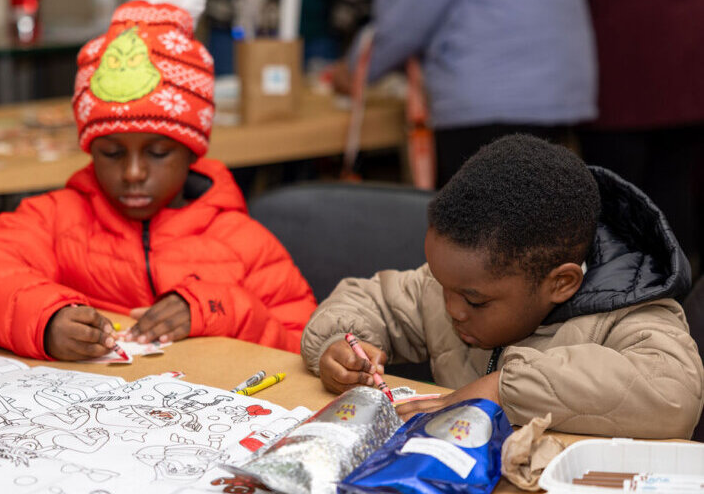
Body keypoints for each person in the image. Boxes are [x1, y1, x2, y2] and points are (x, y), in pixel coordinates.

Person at [0, 0, 317, 362]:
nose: (133, 172)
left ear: (192, 151)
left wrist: (218, 309)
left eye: (157, 153)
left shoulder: (244, 244)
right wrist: (46, 320)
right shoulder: (58, 219)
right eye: (112, 154)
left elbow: (306, 345)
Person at [301, 135, 704, 439]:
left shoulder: (631, 313)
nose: (453, 308)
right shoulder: (460, 284)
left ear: (561, 283)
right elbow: (369, 300)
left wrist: (503, 389)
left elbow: (673, 393)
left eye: (474, 300)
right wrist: (339, 344)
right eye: (444, 285)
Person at [336, 0, 597, 186]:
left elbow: (409, 9)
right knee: (533, 233)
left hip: (492, 94)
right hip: (547, 84)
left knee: (479, 240)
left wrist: (358, 68)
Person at [578, 0, 704, 277]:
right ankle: (677, 293)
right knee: (674, 190)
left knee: (614, 205)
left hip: (615, 68)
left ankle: (626, 299)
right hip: (683, 62)